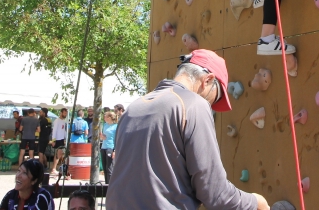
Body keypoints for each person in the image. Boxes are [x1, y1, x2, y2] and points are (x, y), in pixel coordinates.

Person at [105, 49, 269, 210]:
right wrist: (255, 202)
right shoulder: (193, 104)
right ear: (207, 80)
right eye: (216, 97)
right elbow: (216, 194)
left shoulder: (133, 108)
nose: (212, 105)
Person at [99, 110, 117, 184]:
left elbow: (117, 138)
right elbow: (103, 137)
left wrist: (115, 150)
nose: (104, 118)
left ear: (110, 117)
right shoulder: (105, 125)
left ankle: (110, 184)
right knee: (104, 167)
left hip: (110, 147)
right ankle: (106, 183)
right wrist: (101, 136)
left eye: (106, 117)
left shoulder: (116, 126)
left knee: (109, 167)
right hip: (103, 146)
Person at [49, 108, 68, 176]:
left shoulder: (63, 121)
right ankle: (54, 169)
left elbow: (64, 131)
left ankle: (56, 168)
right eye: (64, 113)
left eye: (66, 113)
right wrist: (53, 140)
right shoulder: (57, 121)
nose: (65, 114)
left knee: (60, 154)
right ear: (61, 113)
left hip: (62, 139)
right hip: (57, 139)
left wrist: (66, 138)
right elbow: (54, 131)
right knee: (58, 154)